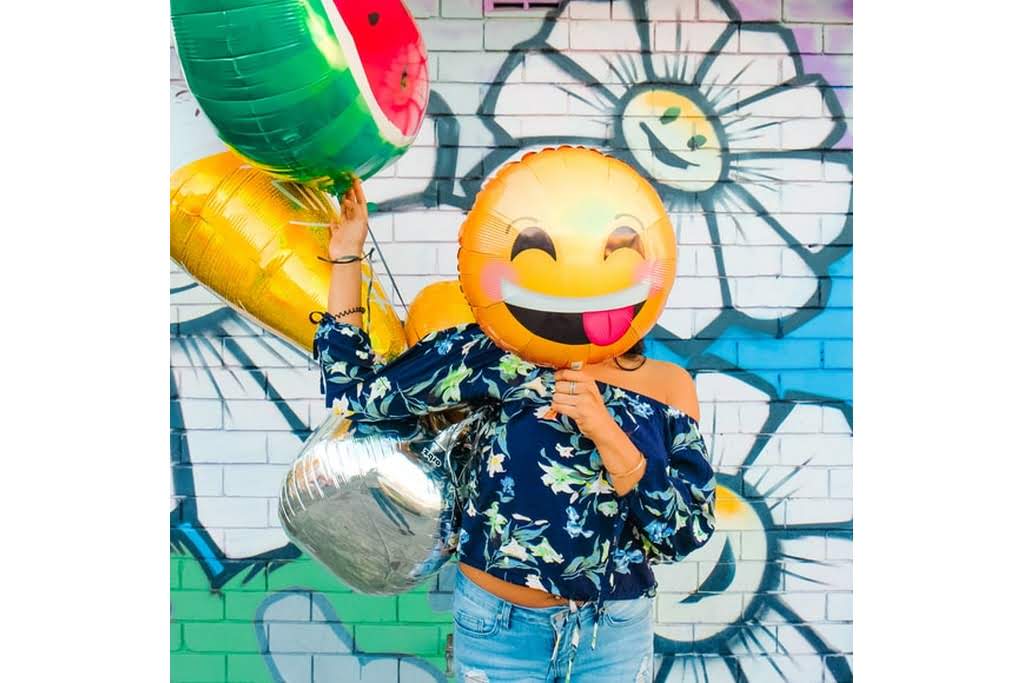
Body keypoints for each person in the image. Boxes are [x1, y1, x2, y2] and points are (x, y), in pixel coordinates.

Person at [312, 179, 717, 682]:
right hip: (498, 630)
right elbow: (359, 395)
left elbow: (682, 535)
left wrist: (606, 431)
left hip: (611, 637)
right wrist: (347, 259)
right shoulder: (499, 356)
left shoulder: (667, 388)